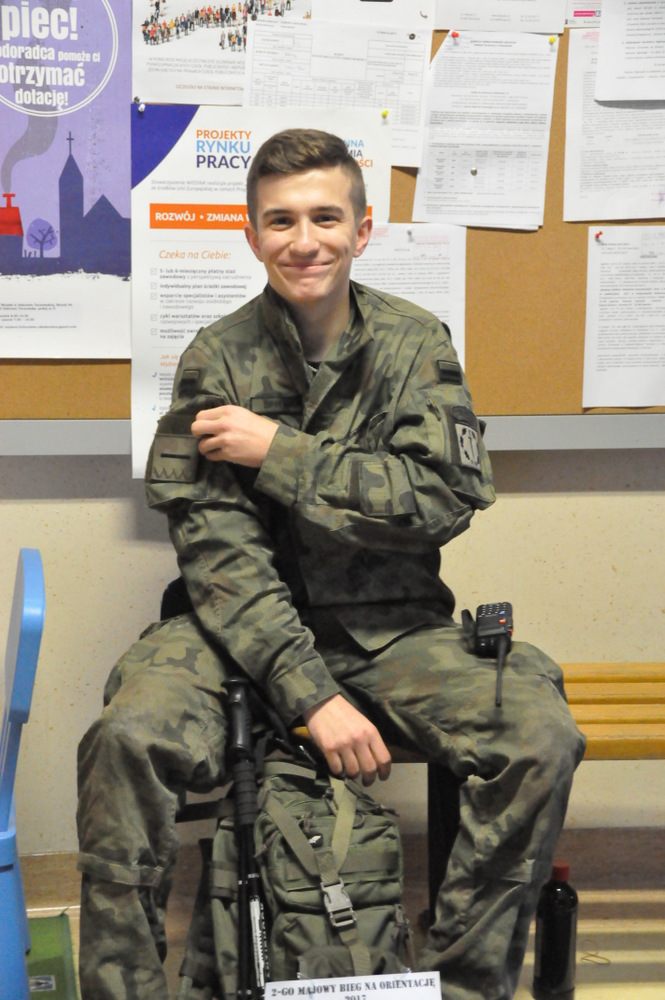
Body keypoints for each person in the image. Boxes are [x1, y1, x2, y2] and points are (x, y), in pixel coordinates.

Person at [76, 128, 585, 1000]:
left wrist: (282, 452)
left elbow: (445, 499)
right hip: (235, 634)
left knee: (538, 738)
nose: (303, 240)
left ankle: (460, 986)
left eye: (324, 217)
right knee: (127, 738)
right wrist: (311, 695)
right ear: (251, 235)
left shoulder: (414, 344)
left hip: (393, 628)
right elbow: (221, 556)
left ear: (361, 229)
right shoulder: (217, 358)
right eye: (280, 220)